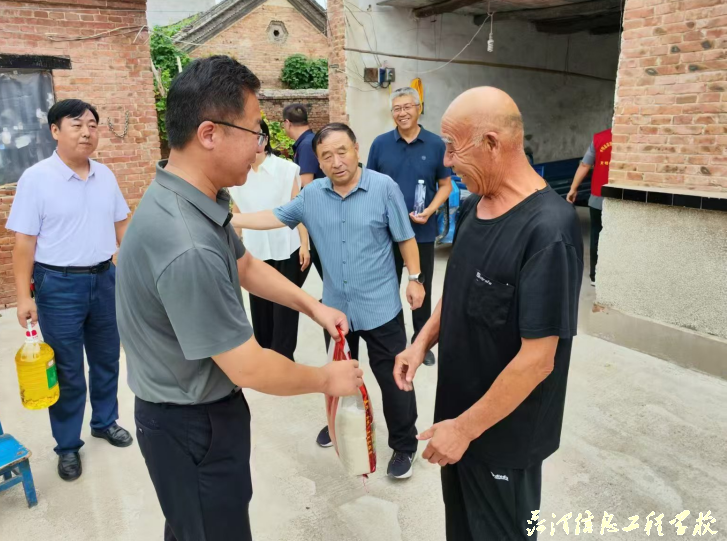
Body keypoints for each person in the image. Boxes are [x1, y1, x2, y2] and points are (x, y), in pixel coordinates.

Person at [115, 56, 362, 541]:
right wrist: (325, 379)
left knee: (195, 526)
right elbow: (248, 367)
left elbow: (245, 264)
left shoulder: (193, 197)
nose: (259, 144)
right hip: (190, 422)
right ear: (209, 133)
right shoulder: (187, 243)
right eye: (254, 130)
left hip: (193, 412)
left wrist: (313, 306)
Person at [394, 87, 583, 540]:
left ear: (492, 143)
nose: (446, 161)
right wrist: (421, 343)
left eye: (453, 147)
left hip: (502, 437)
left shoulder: (549, 231)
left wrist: (465, 430)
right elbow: (460, 292)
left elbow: (537, 360)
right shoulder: (473, 207)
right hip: (456, 423)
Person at [232, 122, 426, 480]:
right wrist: (229, 218)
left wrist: (414, 279)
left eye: (342, 151)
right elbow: (274, 216)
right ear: (318, 162)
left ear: (356, 149)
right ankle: (339, 423)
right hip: (335, 310)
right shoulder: (312, 195)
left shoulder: (383, 187)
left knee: (394, 379)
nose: (336, 162)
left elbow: (405, 237)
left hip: (380, 307)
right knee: (338, 374)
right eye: (326, 156)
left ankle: (404, 444)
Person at [7, 99, 133, 482]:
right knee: (66, 369)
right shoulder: (36, 179)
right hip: (58, 285)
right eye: (76, 125)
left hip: (104, 279)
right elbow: (24, 244)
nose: (86, 132)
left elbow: (123, 228)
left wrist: (132, 272)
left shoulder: (105, 175)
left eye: (92, 125)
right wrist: (24, 297)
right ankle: (67, 445)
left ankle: (104, 421)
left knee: (107, 358)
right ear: (55, 131)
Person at [367, 87, 453, 367]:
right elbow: (369, 185)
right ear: (392, 113)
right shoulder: (380, 144)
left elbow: (445, 185)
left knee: (420, 287)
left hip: (422, 232)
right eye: (397, 108)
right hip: (386, 233)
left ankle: (421, 342)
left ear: (418, 108)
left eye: (407, 107)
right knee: (387, 288)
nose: (402, 113)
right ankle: (392, 341)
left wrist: (430, 210)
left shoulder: (436, 144)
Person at [230, 121, 312, 360]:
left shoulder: (287, 170)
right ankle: (267, 358)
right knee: (260, 308)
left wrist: (304, 244)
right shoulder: (237, 175)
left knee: (286, 308)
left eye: (256, 137)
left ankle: (284, 358)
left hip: (286, 248)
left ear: (264, 139)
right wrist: (233, 249)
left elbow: (298, 209)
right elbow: (237, 212)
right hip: (255, 252)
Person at [282, 103, 325, 280]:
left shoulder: (306, 145)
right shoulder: (310, 141)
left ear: (287, 123)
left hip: (318, 219)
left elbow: (306, 186)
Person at [567, 128, 612, 286]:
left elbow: (585, 165)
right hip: (621, 199)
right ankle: (614, 276)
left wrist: (573, 188)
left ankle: (595, 276)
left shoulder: (599, 138)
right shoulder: (632, 138)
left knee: (596, 236)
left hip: (598, 197)